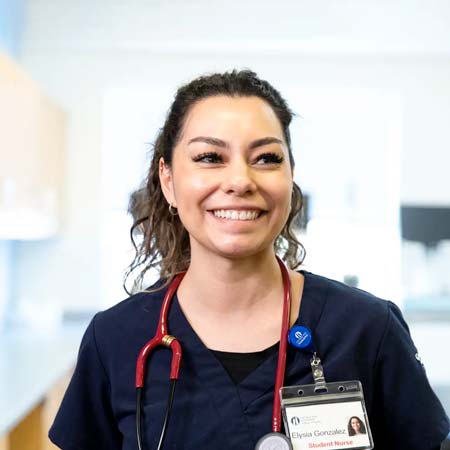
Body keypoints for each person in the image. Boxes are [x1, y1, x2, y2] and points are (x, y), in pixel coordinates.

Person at [49, 70, 450, 450]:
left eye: (266, 158)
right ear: (168, 180)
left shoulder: (367, 329)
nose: (240, 180)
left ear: (291, 178)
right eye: (209, 157)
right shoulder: (115, 339)